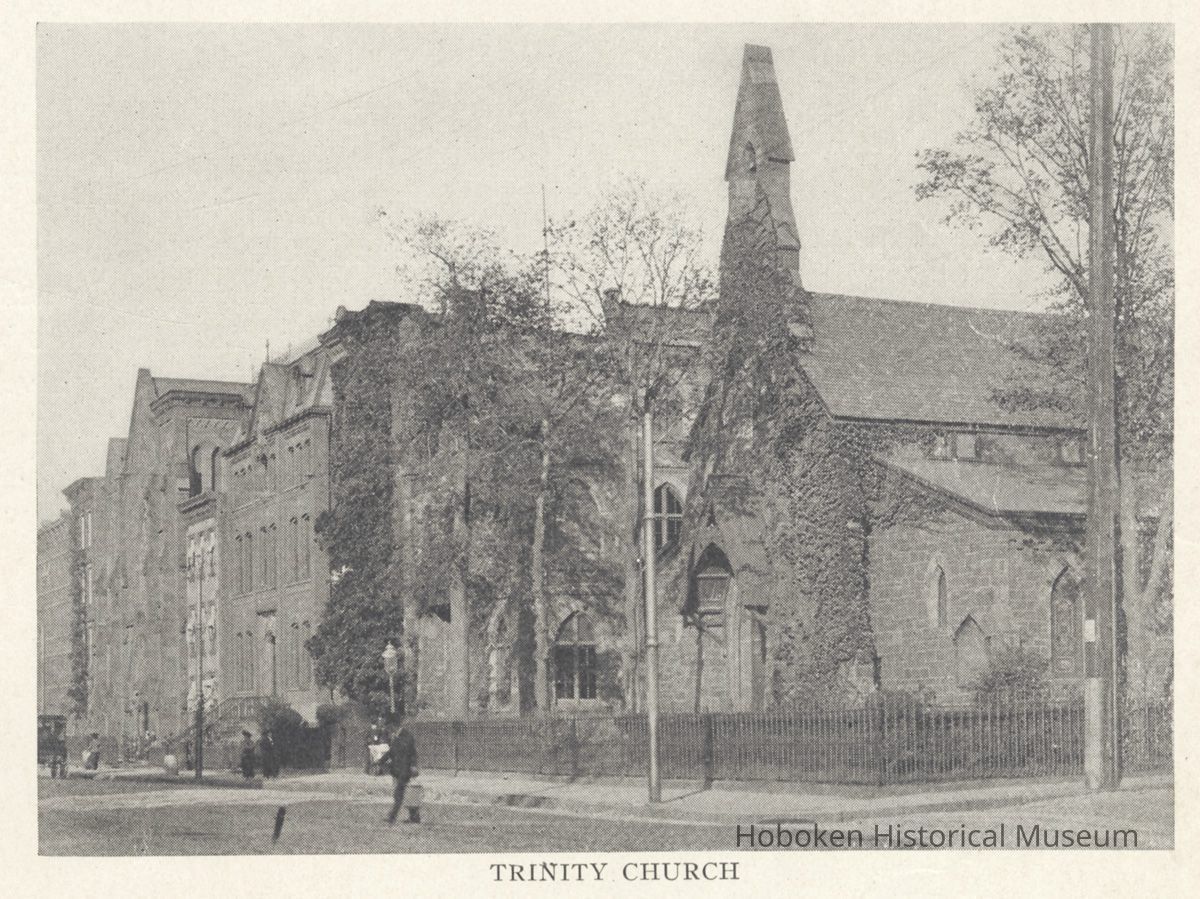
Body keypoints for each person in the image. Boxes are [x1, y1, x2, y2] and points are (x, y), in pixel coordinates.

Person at [380, 718, 418, 824]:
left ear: (393, 725)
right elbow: (391, 752)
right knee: (405, 793)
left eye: (389, 726)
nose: (388, 729)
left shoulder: (406, 736)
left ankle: (392, 817)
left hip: (405, 769)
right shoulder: (396, 736)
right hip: (398, 769)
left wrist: (414, 766)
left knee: (398, 794)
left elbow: (413, 752)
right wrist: (380, 761)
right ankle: (415, 817)